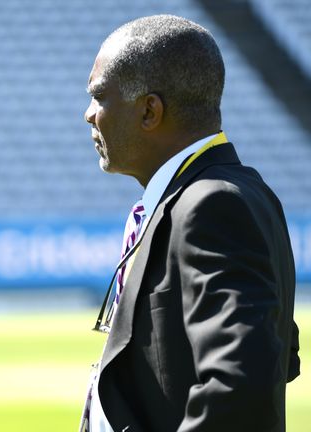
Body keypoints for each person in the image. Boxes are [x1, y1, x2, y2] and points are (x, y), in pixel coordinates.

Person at [80, 15, 300, 432]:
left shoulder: (212, 204)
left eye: (99, 97)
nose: (89, 115)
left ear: (149, 110)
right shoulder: (228, 192)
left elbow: (241, 384)